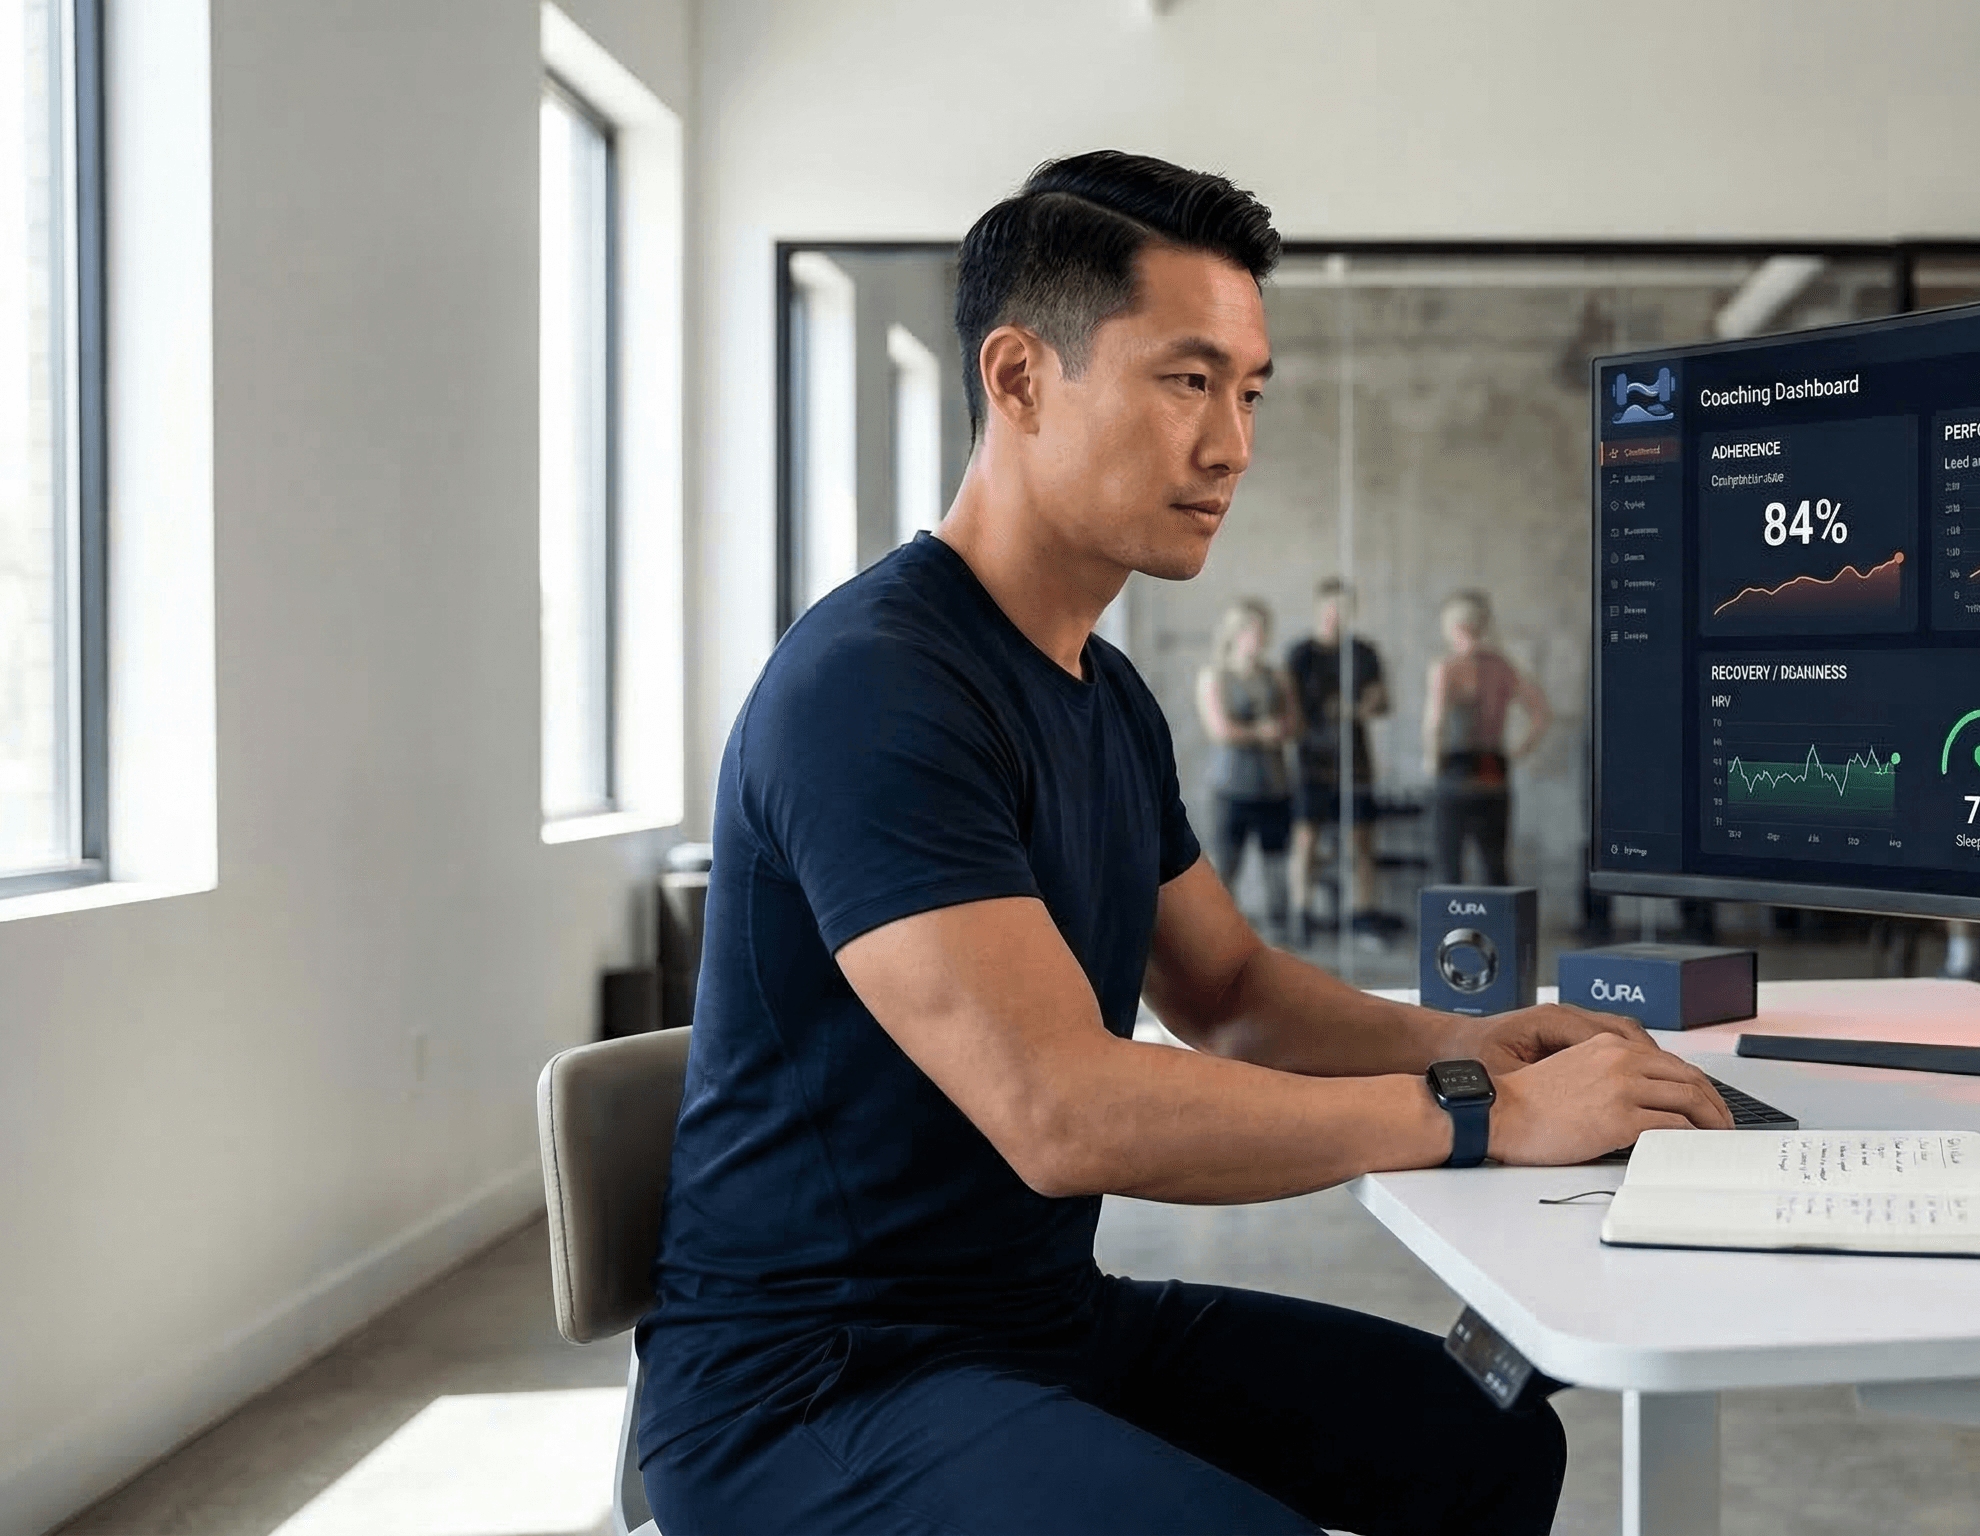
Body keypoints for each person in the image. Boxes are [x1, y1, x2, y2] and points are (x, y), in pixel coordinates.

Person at [637, 151, 1729, 1536]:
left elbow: (1228, 996)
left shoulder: (1104, 691)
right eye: (1186, 381)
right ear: (1021, 378)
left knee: (1481, 1438)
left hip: (1040, 1328)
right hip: (813, 1390)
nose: (1232, 447)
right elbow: (1061, 1111)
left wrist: (1479, 1040)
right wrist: (1485, 1119)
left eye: (1250, 392)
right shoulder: (873, 685)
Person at [1423, 590, 1549, 886]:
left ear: (1456, 626)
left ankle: (1450, 929)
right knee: (1495, 863)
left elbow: (1436, 721)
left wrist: (1431, 760)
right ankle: (1502, 931)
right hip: (1493, 766)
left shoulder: (1447, 667)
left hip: (1456, 768)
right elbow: (1542, 713)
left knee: (1449, 864)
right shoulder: (1503, 667)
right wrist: (1519, 751)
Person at [1287, 576, 1390, 938]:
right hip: (1313, 759)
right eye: (1331, 606)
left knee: (1362, 839)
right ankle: (1302, 911)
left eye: (1344, 608)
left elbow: (1381, 699)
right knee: (1306, 838)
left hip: (1354, 759)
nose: (1336, 614)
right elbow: (1291, 706)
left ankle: (1363, 912)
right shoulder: (1302, 654)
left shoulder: (1364, 653)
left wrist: (1361, 706)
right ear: (1319, 608)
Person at [1197, 598, 1297, 941]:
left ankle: (1280, 939)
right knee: (1225, 868)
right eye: (1251, 629)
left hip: (1274, 785)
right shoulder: (1215, 675)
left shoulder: (1276, 675)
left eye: (1262, 629)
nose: (1258, 636)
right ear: (1235, 633)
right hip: (1231, 786)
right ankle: (1221, 941)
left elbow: (1295, 723)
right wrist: (1261, 733)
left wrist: (1279, 730)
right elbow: (1220, 730)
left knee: (1277, 868)